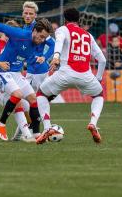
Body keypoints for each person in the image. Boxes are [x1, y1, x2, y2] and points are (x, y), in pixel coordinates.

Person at [35, 8, 107, 145]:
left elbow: (59, 42)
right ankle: (93, 123)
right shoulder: (88, 35)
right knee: (98, 95)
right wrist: (97, 79)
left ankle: (46, 128)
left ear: (65, 19)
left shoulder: (63, 30)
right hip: (86, 75)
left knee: (41, 93)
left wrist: (56, 57)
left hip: (65, 73)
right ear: (78, 20)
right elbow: (102, 60)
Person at [0, 18, 52, 141]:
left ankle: (37, 135)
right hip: (1, 71)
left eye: (44, 38)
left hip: (15, 73)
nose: (42, 40)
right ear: (34, 31)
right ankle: (1, 123)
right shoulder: (20, 34)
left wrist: (39, 60)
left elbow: (28, 57)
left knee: (33, 99)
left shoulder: (35, 44)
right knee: (18, 94)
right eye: (41, 36)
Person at [0, 20, 34, 142]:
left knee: (28, 107)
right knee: (18, 102)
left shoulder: (12, 46)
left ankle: (19, 135)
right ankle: (27, 135)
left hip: (8, 81)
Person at [15, 1, 55, 139]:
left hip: (40, 72)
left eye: (30, 13)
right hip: (30, 71)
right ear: (22, 14)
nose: (27, 15)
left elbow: (53, 44)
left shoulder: (39, 28)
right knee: (26, 101)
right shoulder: (24, 28)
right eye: (25, 13)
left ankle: (45, 130)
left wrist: (44, 57)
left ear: (35, 15)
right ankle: (25, 130)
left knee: (37, 102)